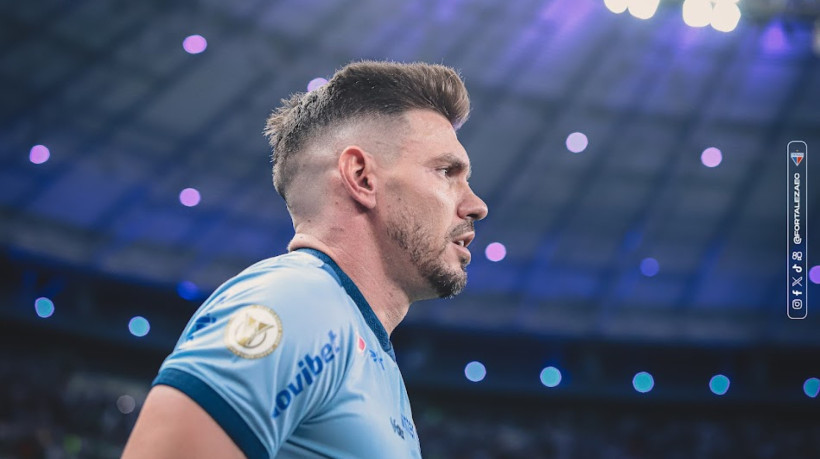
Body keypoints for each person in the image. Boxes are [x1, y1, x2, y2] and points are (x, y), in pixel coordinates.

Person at [122, 60, 489, 458]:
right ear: (362, 177)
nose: (476, 205)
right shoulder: (297, 303)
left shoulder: (362, 344)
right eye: (446, 171)